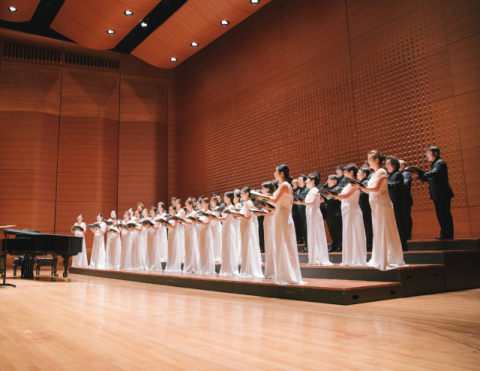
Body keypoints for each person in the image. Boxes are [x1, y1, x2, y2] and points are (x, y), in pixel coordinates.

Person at [353, 150, 406, 271]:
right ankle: (380, 257)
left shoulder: (382, 171)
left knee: (385, 230)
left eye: (369, 160)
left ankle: (389, 258)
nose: (368, 163)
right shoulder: (373, 173)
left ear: (376, 160)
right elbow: (368, 191)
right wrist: (359, 186)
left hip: (383, 205)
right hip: (375, 207)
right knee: (378, 231)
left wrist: (360, 185)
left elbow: (375, 188)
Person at [257, 164, 305, 285]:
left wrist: (260, 196)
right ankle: (284, 274)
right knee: (282, 244)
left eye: (276, 172)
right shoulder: (283, 185)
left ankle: (289, 275)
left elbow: (274, 200)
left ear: (282, 173)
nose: (274, 174)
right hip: (281, 216)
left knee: (285, 245)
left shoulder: (284, 185)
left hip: (283, 218)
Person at [411, 146, 454, 239]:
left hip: (442, 194)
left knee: (444, 215)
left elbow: (433, 174)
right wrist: (419, 176)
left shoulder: (440, 163)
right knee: (441, 215)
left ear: (436, 153)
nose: (427, 156)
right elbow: (430, 177)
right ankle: (445, 234)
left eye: (428, 153)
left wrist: (420, 174)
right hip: (437, 195)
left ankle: (448, 235)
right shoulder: (434, 163)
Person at [328, 164, 367, 266]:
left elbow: (346, 195)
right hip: (346, 211)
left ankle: (357, 258)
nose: (344, 174)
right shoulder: (347, 184)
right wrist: (332, 195)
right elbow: (342, 197)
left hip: (353, 211)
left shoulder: (355, 183)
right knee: (348, 233)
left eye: (345, 172)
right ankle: (349, 258)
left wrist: (333, 195)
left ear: (351, 173)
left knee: (355, 232)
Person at [295, 173, 331, 266]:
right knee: (313, 233)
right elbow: (320, 200)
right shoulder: (312, 190)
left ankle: (318, 257)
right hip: (311, 213)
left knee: (317, 233)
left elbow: (312, 202)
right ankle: (316, 256)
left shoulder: (314, 190)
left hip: (314, 213)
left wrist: (301, 202)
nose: (306, 181)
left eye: (308, 179)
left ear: (313, 181)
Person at [234, 187, 264, 278]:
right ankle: (247, 268)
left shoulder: (248, 203)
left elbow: (248, 217)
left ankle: (249, 269)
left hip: (248, 228)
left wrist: (238, 214)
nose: (241, 195)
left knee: (248, 246)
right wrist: (238, 217)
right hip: (245, 227)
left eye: (242, 193)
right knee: (246, 247)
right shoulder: (246, 203)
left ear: (247, 194)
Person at [252, 181, 277, 278]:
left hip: (271, 222)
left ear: (267, 189)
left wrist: (261, 213)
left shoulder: (271, 198)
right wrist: (259, 211)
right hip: (267, 222)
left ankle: (274, 271)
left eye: (263, 188)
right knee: (269, 245)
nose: (261, 190)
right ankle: (270, 270)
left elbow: (271, 213)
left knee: (272, 244)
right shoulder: (266, 199)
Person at [386, 156, 408, 251]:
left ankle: (403, 247)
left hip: (398, 204)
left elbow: (395, 185)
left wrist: (384, 184)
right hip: (392, 204)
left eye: (388, 164)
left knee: (400, 225)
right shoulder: (390, 175)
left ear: (394, 165)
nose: (386, 166)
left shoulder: (398, 174)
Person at [217, 192, 239, 276]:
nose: (224, 198)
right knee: (225, 246)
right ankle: (226, 267)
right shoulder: (226, 207)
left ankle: (231, 268)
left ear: (229, 198)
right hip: (225, 228)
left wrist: (214, 218)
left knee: (230, 246)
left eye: (225, 197)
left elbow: (225, 218)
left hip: (229, 228)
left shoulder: (231, 207)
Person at [195, 198, 216, 274]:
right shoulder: (201, 212)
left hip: (206, 232)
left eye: (203, 203)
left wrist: (199, 222)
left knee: (206, 249)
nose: (202, 205)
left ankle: (207, 268)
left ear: (207, 204)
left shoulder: (209, 212)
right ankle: (202, 267)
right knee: (201, 249)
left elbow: (207, 222)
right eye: (201, 203)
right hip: (201, 232)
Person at [323, 175, 343, 252]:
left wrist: (324, 198)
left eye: (329, 180)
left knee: (338, 230)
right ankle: (334, 245)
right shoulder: (329, 189)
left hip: (336, 213)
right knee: (332, 231)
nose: (328, 181)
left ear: (335, 181)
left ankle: (340, 245)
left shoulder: (338, 188)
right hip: (329, 213)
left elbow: (332, 200)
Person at [182, 199, 200, 273]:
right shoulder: (188, 213)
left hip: (191, 232)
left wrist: (183, 221)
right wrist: (181, 222)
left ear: (191, 205)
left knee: (192, 248)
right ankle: (188, 265)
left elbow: (191, 222)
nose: (186, 206)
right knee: (187, 249)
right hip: (186, 232)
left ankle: (192, 267)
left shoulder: (194, 213)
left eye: (187, 205)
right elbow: (186, 223)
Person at [357, 167, 373, 251]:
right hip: (362, 207)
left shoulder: (365, 182)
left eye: (359, 172)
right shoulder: (360, 183)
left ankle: (369, 244)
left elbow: (365, 194)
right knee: (364, 226)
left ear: (364, 174)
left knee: (367, 226)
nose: (357, 174)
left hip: (366, 208)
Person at [165, 206, 182, 272]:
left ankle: (175, 266)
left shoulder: (176, 217)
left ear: (174, 210)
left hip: (175, 234)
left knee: (174, 249)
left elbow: (174, 226)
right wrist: (166, 223)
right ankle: (170, 265)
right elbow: (167, 227)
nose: (169, 211)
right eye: (169, 210)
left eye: (171, 210)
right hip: (170, 234)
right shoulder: (170, 218)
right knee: (170, 249)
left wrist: (167, 224)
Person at [399, 160, 413, 240]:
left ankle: (407, 235)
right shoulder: (399, 174)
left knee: (406, 218)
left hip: (405, 200)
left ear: (403, 166)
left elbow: (406, 184)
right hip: (400, 201)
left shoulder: (406, 173)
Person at [297, 175, 309, 252]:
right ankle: (305, 245)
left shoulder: (307, 189)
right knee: (303, 231)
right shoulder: (298, 191)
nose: (299, 181)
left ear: (305, 181)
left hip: (306, 213)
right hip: (300, 215)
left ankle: (308, 246)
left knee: (307, 230)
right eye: (298, 180)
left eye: (300, 180)